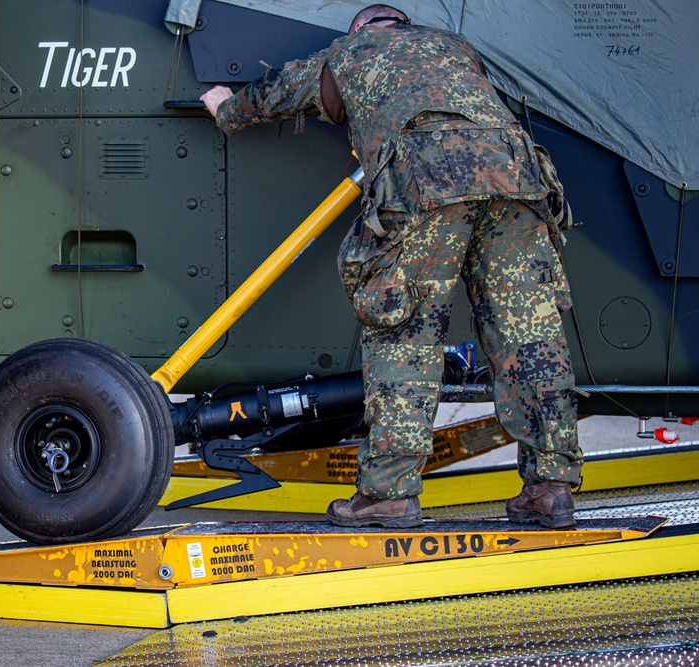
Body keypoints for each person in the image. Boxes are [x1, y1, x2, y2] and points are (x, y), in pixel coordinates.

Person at [201, 4, 583, 529]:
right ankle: (551, 487)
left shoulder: (350, 51)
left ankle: (388, 494)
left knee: (404, 333)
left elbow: (280, 90)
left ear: (361, 29)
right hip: (517, 177)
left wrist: (225, 107)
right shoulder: (454, 47)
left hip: (429, 180)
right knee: (529, 337)